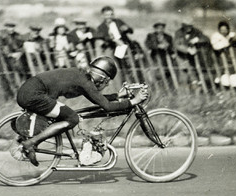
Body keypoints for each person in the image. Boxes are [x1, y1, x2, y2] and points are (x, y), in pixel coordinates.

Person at [14, 56, 148, 166]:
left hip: (29, 92)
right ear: (103, 78)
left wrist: (117, 96)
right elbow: (106, 106)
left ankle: (30, 141)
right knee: (72, 118)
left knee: (65, 116)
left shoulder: (82, 77)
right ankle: (31, 143)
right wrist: (133, 101)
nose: (106, 85)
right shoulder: (85, 82)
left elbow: (96, 98)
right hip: (34, 95)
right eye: (107, 82)